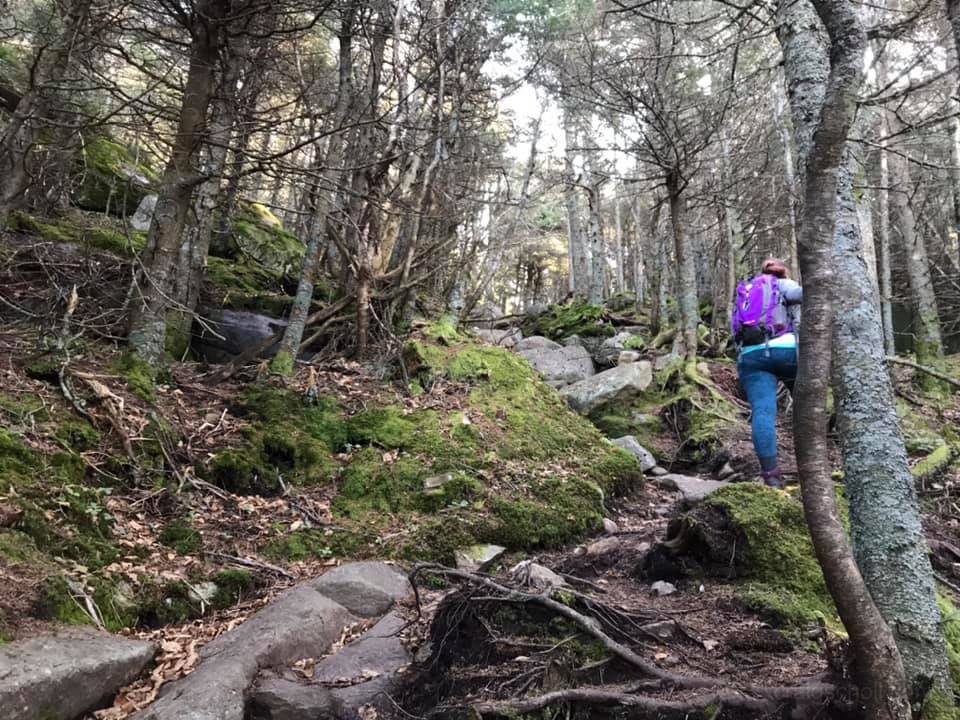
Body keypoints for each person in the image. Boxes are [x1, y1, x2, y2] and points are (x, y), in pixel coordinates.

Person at [732, 258, 802, 489]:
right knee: (807, 407)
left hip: (751, 356)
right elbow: (802, 296)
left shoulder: (747, 291)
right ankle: (811, 466)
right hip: (786, 351)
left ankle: (771, 476)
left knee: (763, 413)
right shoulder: (783, 284)